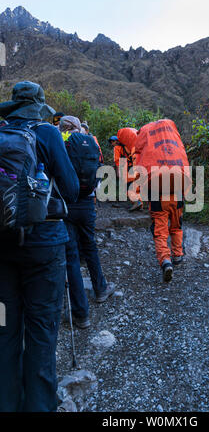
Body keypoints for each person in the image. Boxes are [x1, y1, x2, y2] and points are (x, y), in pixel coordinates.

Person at [0, 82, 79, 412]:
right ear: (40, 106)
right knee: (42, 334)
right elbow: (72, 190)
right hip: (45, 248)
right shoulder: (47, 133)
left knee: (5, 333)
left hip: (2, 248)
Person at [60, 116, 116, 329]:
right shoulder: (91, 143)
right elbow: (99, 174)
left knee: (71, 256)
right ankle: (100, 290)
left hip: (66, 205)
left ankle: (81, 313)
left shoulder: (61, 143)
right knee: (90, 246)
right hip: (87, 204)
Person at [135, 119, 191, 282]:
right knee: (176, 225)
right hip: (178, 190)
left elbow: (140, 174)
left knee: (160, 230)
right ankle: (178, 255)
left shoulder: (148, 149)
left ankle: (165, 261)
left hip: (157, 193)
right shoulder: (175, 145)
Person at [117, 128, 143, 212]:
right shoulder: (137, 145)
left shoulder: (127, 147)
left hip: (133, 168)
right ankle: (140, 203)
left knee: (130, 185)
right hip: (140, 167)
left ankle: (136, 202)